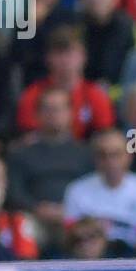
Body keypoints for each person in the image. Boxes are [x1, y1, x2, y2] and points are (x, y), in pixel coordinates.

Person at [6, 87, 95, 252]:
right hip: (35, 215)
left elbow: (93, 189)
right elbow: (14, 192)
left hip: (74, 217)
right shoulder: (21, 153)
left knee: (93, 228)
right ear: (37, 115)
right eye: (47, 109)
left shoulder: (85, 153)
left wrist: (69, 211)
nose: (53, 114)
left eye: (59, 109)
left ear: (70, 113)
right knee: (22, 226)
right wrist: (37, 208)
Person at [64, 126, 136, 250]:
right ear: (95, 158)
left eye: (116, 154)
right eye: (103, 155)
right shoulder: (77, 190)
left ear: (129, 156)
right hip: (90, 259)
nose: (110, 161)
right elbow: (72, 235)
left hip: (133, 256)